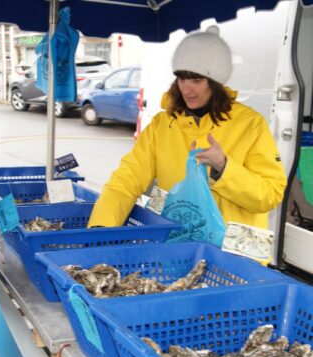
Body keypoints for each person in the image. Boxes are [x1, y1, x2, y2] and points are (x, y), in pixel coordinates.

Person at [88, 26, 287, 231]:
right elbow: (126, 180)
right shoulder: (162, 125)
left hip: (232, 253)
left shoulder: (251, 124)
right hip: (178, 246)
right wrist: (101, 226)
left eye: (196, 79)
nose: (186, 88)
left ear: (215, 81)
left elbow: (270, 195)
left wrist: (225, 167)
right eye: (182, 78)